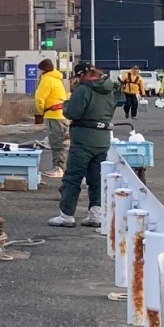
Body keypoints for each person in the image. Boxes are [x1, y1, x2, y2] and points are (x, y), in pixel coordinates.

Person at [49, 63, 116, 227]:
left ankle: (66, 215)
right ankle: (96, 215)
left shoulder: (83, 89)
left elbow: (73, 112)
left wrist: (66, 103)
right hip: (103, 138)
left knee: (73, 177)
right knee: (97, 177)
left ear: (80, 75)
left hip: (83, 139)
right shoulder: (108, 89)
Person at [33, 56, 69, 179]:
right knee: (61, 142)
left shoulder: (47, 79)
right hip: (61, 114)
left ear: (43, 70)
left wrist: (41, 110)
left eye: (39, 70)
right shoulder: (57, 78)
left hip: (53, 115)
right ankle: (61, 167)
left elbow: (39, 97)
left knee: (56, 143)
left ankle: (58, 168)